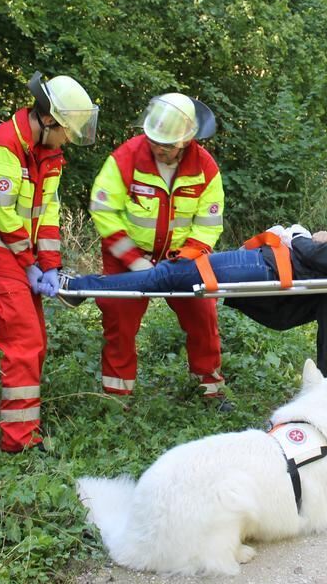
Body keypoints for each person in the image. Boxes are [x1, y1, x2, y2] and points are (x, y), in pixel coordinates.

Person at [58, 226, 327, 377]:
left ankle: (79, 286)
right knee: (170, 276)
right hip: (265, 265)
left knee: (169, 275)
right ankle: (83, 286)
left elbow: (326, 260)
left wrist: (299, 236)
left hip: (264, 266)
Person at [0, 71, 98, 452]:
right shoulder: (3, 146)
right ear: (49, 120)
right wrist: (29, 263)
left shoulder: (48, 152)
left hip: (18, 254)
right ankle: (19, 442)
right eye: (67, 131)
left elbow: (48, 211)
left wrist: (50, 262)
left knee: (35, 338)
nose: (69, 139)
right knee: (22, 340)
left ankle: (24, 418)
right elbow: (4, 215)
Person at [88, 93, 227, 404]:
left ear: (187, 139)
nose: (159, 149)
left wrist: (184, 260)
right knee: (119, 325)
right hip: (127, 258)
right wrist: (133, 260)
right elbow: (103, 209)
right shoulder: (126, 157)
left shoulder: (205, 167)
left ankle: (210, 393)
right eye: (154, 141)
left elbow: (208, 223)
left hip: (183, 259)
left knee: (203, 317)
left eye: (167, 144)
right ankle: (116, 400)